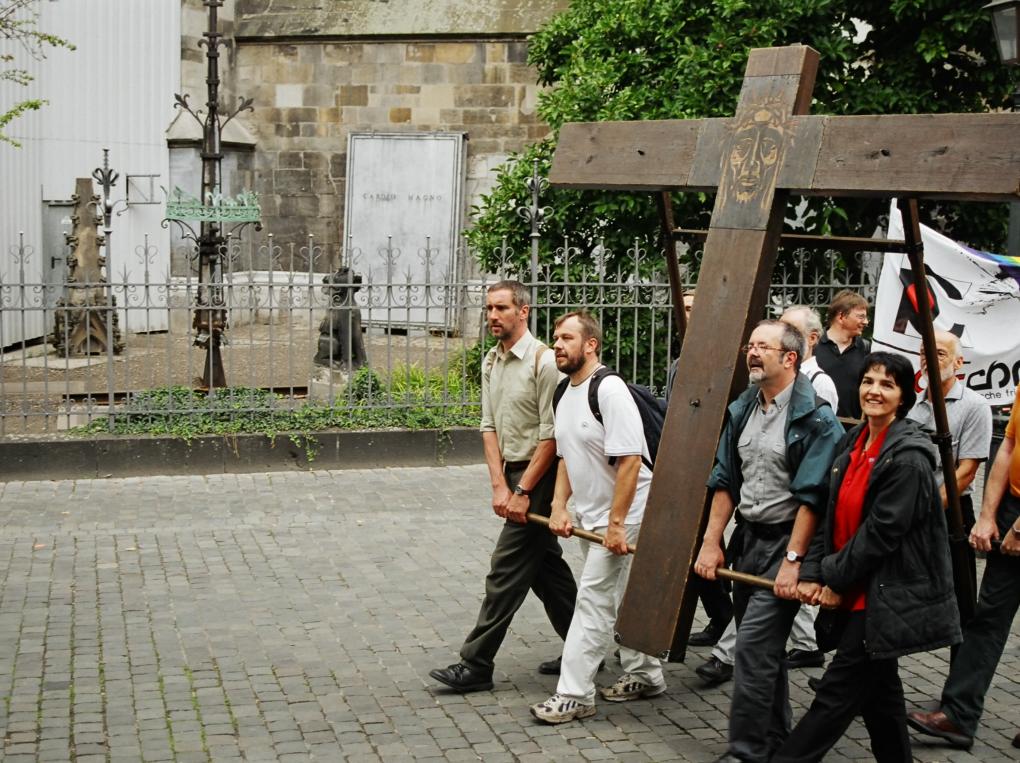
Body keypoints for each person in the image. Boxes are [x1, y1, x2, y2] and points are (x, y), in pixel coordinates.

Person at [771, 352, 961, 762]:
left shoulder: (909, 457)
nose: (874, 391)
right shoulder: (854, 440)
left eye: (887, 384)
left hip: (881, 596)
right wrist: (816, 570)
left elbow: (880, 534)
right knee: (882, 700)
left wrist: (832, 579)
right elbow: (827, 510)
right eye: (869, 381)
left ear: (904, 396)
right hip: (854, 586)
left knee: (834, 698)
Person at [694, 320, 843, 763]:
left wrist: (794, 561)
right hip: (748, 542)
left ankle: (747, 751)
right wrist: (711, 541)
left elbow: (812, 499)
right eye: (750, 346)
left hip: (786, 545)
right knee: (766, 653)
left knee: (752, 646)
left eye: (763, 347)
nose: (752, 353)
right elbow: (724, 480)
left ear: (790, 358)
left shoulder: (817, 419)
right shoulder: (743, 408)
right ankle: (776, 737)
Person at [429, 280, 578, 693]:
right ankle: (589, 646)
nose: (492, 316)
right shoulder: (491, 361)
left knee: (505, 570)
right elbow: (488, 425)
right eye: (489, 309)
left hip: (542, 478)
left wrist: (524, 490)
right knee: (548, 573)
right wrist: (499, 485)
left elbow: (553, 436)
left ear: (523, 311)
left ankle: (476, 664)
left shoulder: (544, 362)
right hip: (513, 476)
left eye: (501, 308)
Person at [530, 311, 666, 723]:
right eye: (555, 338)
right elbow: (567, 455)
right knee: (623, 594)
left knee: (593, 600)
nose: (557, 344)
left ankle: (574, 694)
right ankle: (646, 673)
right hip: (596, 516)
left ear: (590, 344)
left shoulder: (609, 390)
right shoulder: (562, 392)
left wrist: (617, 523)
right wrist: (558, 506)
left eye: (567, 338)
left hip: (629, 510)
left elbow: (629, 461)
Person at [906, 392, 1020, 750]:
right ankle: (958, 715)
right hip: (1012, 507)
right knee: (988, 617)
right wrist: (988, 515)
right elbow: (1009, 446)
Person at [666, 291, 735, 649]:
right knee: (702, 542)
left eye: (695, 307)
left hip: (711, 465)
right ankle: (722, 616)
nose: (688, 314)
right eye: (685, 308)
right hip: (683, 465)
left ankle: (725, 617)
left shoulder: (719, 356)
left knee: (704, 540)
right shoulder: (680, 360)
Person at [906, 330, 991, 588]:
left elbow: (966, 471)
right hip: (906, 508)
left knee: (952, 591)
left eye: (939, 353)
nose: (929, 359)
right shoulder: (910, 405)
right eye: (923, 353)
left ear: (958, 363)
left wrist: (925, 510)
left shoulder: (974, 407)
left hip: (949, 512)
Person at [815, 289, 871, 421]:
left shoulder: (866, 349)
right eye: (861, 316)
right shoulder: (813, 346)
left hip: (853, 430)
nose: (866, 322)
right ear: (841, 317)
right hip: (817, 428)